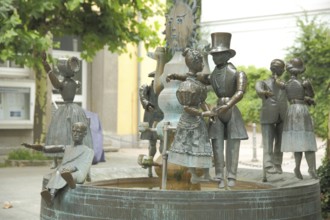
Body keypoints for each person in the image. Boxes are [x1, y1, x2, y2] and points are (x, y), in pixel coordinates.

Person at [198, 32, 248, 188]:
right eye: (213, 54)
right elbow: (196, 77)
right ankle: (219, 175)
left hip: (231, 108)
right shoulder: (213, 75)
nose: (214, 57)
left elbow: (240, 92)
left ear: (227, 55)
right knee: (217, 143)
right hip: (218, 108)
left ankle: (232, 175)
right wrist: (179, 77)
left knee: (233, 143)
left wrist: (229, 104)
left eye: (218, 54)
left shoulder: (238, 73)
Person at [167, 48, 213, 184]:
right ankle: (194, 174)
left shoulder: (196, 82)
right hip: (189, 120)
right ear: (195, 64)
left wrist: (208, 113)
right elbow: (186, 108)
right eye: (201, 62)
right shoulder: (186, 85)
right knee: (190, 147)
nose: (203, 65)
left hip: (198, 120)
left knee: (203, 145)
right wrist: (203, 113)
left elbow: (201, 101)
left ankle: (206, 174)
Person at [22, 122, 94, 205]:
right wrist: (32, 146)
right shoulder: (67, 148)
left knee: (63, 173)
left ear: (84, 134)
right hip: (64, 171)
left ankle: (70, 180)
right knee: (58, 172)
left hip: (77, 172)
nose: (75, 134)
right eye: (73, 131)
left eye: (78, 132)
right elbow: (46, 148)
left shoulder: (88, 151)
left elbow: (84, 166)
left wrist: (73, 169)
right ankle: (51, 196)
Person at [42, 53, 93, 168]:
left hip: (69, 109)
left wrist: (48, 69)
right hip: (70, 109)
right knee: (62, 134)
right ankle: (56, 158)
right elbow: (55, 81)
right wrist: (48, 69)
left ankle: (71, 157)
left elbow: (55, 82)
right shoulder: (70, 83)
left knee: (67, 134)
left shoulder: (70, 83)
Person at [275, 57, 318, 180]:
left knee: (297, 140)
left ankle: (297, 167)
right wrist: (308, 91)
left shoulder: (286, 83)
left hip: (291, 110)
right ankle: (311, 169)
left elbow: (284, 88)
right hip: (301, 111)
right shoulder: (304, 82)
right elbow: (311, 94)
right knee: (307, 139)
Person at [255, 59, 288, 176]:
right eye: (277, 67)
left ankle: (278, 164)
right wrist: (264, 92)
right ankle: (268, 164)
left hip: (283, 115)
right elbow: (258, 89)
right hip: (268, 114)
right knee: (268, 142)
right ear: (271, 68)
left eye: (281, 67)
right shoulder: (263, 82)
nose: (280, 70)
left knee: (280, 142)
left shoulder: (285, 84)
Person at [139, 72, 164, 177]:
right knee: (152, 145)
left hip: (162, 117)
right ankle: (149, 168)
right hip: (151, 117)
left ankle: (163, 166)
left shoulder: (164, 89)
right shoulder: (147, 88)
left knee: (163, 144)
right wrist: (147, 104)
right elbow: (142, 97)